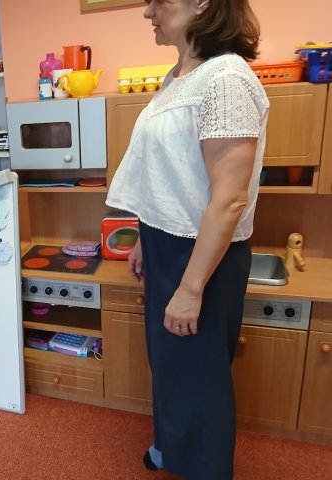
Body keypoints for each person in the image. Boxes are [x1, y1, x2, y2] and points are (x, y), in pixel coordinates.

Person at [105, 1, 269, 478]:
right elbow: (171, 173)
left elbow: (229, 200)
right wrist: (144, 237)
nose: (148, 12)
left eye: (160, 1)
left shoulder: (226, 80)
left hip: (202, 255)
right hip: (166, 244)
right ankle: (170, 446)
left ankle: (206, 468)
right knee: (171, 362)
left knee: (199, 375)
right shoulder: (178, 77)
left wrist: (191, 288)